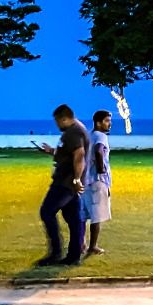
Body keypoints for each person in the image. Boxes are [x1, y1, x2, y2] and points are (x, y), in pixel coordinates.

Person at [35, 104, 89, 266]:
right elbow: (69, 153)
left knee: (47, 212)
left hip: (65, 183)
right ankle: (73, 255)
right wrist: (52, 151)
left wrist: (77, 179)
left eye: (58, 122)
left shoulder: (73, 132)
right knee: (73, 219)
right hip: (68, 183)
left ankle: (56, 253)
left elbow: (79, 156)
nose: (57, 125)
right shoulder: (74, 130)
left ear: (64, 119)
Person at [82, 109, 113, 256]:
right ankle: (92, 246)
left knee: (83, 215)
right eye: (106, 121)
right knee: (96, 216)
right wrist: (101, 170)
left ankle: (81, 243)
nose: (109, 124)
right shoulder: (101, 136)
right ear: (98, 122)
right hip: (97, 180)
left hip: (86, 180)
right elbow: (99, 150)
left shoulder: (89, 135)